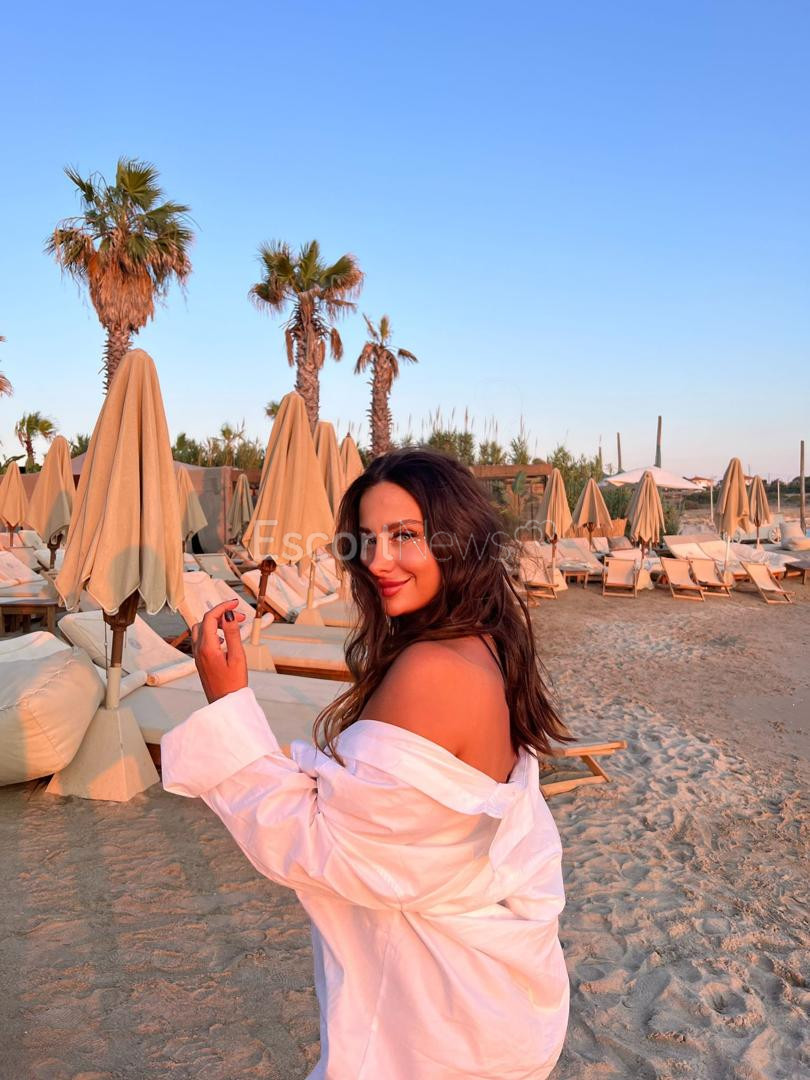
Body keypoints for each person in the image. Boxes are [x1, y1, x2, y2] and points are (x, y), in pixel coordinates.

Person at [162, 447, 571, 1079]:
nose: (378, 561)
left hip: (440, 1019)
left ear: (457, 539)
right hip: (483, 1005)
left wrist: (228, 702)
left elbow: (327, 848)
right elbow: (398, 823)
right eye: (367, 539)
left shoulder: (432, 668)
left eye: (404, 535)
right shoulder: (485, 643)